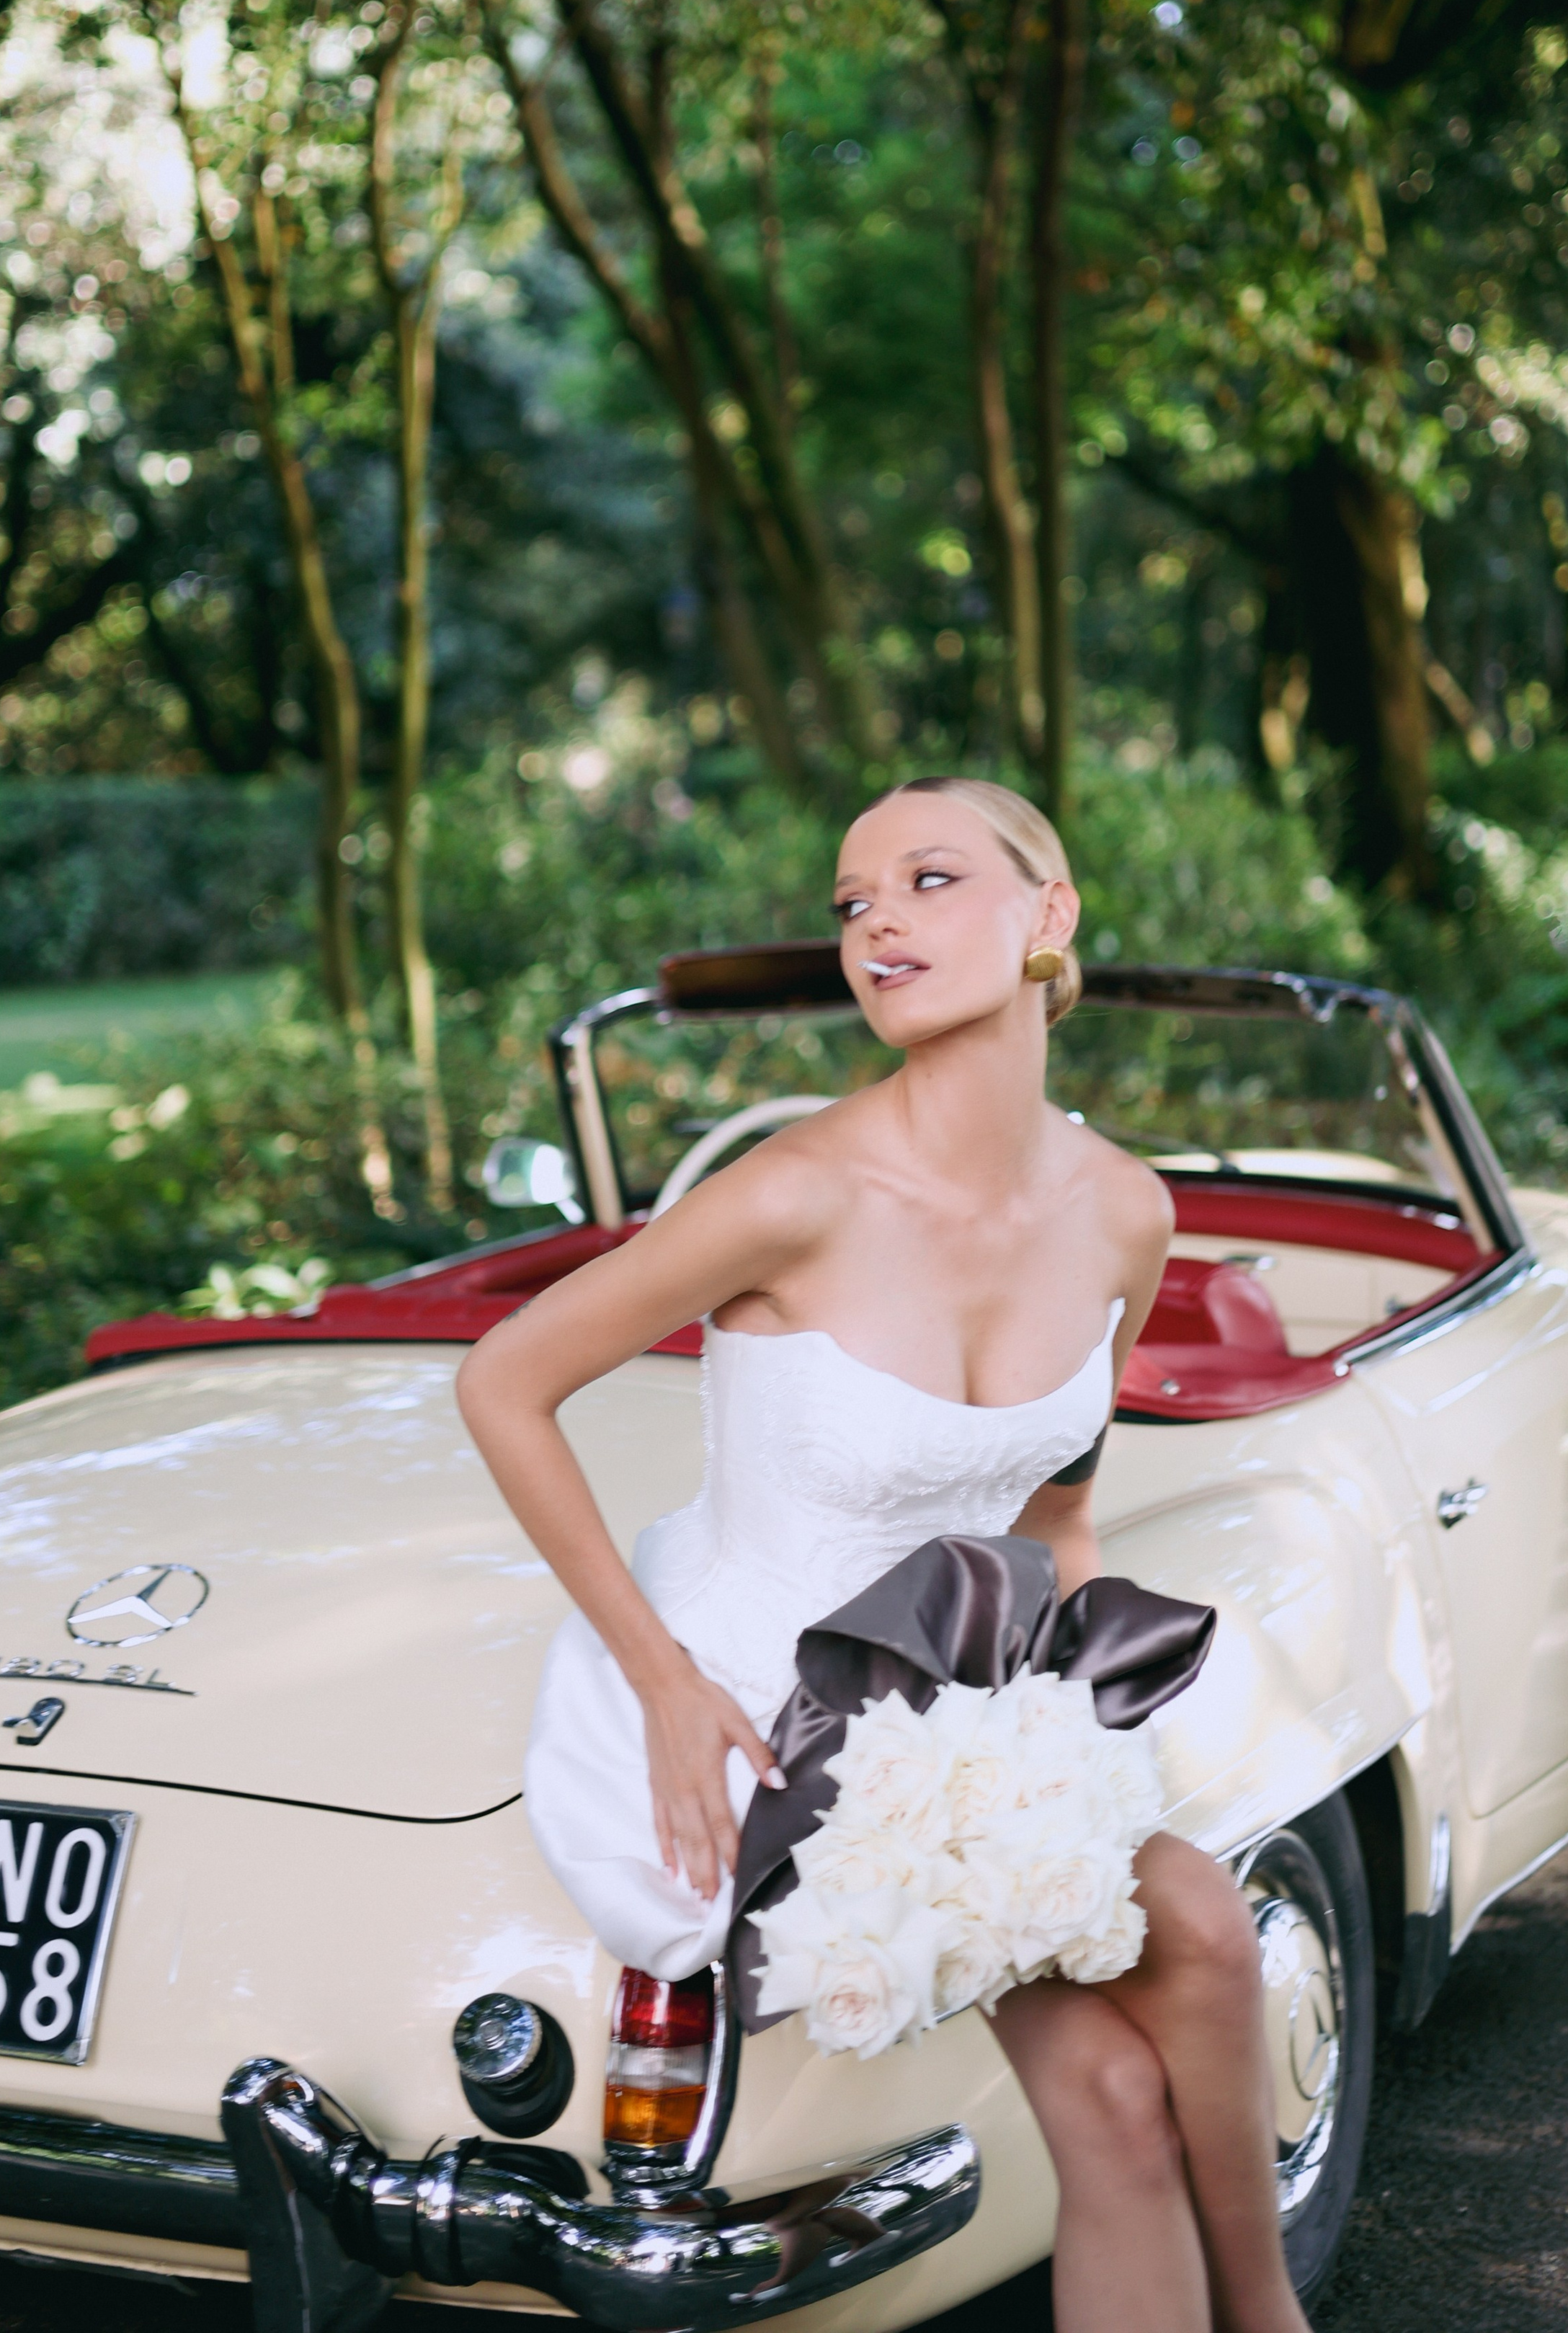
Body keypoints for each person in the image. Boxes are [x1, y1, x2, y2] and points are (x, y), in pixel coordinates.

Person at [458, 776, 1309, 2333]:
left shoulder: (1123, 1208)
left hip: (959, 1716)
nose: (876, 924)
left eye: (926, 880)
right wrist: (655, 1678)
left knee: (1120, 2098)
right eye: (853, 902)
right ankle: (1271, 2319)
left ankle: (1258, 2314)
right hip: (751, 1722)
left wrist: (1055, 1750)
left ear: (1045, 918)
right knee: (1192, 1922)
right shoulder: (791, 1191)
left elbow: (1055, 1512)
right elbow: (502, 1380)